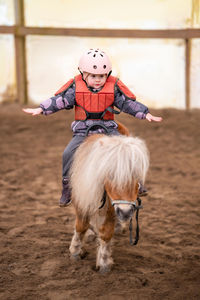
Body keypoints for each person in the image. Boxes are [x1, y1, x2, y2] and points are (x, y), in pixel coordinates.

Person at [23, 48, 162, 207]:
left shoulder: (113, 89)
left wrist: (145, 113)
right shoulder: (75, 88)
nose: (98, 80)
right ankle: (67, 187)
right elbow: (59, 100)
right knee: (67, 153)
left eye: (102, 76)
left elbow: (127, 103)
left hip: (108, 128)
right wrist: (41, 109)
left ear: (107, 75)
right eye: (93, 76)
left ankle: (136, 182)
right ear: (83, 74)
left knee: (128, 150)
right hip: (83, 130)